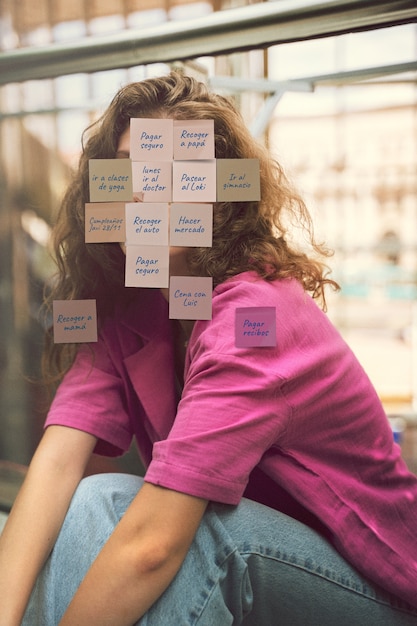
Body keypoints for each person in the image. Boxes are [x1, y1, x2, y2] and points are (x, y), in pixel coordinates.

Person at [0, 71, 416, 626]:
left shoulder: (258, 319)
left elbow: (154, 548)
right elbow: (55, 464)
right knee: (95, 499)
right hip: (268, 557)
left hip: (375, 586)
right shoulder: (127, 307)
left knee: (196, 535)